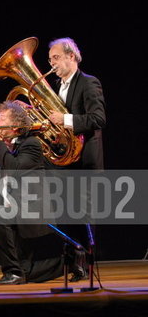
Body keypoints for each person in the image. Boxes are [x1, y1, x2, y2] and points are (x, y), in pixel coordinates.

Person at [0, 100, 85, 285]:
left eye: (1, 119)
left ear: (16, 126)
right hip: (12, 208)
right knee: (26, 272)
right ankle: (71, 261)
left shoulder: (31, 144)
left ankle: (12, 273)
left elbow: (16, 168)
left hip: (28, 208)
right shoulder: (2, 148)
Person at [47, 37, 106, 260]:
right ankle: (73, 263)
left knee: (84, 216)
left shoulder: (89, 83)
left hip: (85, 163)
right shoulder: (55, 87)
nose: (51, 63)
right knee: (64, 215)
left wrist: (65, 119)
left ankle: (87, 262)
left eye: (56, 58)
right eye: (50, 59)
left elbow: (98, 119)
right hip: (64, 162)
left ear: (72, 56)